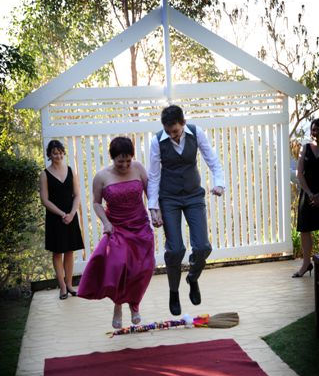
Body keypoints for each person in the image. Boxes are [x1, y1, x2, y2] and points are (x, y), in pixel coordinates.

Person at [147, 105, 225, 316]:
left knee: (202, 247)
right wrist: (153, 207)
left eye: (176, 131)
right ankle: (174, 291)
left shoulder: (196, 132)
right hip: (169, 198)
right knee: (175, 250)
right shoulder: (157, 141)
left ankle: (192, 277)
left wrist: (219, 183)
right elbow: (153, 175)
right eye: (168, 132)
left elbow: (213, 160)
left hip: (193, 195)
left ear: (183, 123)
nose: (172, 135)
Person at [77, 136, 155, 329]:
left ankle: (134, 305)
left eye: (128, 160)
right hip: (117, 228)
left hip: (140, 226)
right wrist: (105, 222)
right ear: (113, 158)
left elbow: (150, 192)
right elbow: (96, 203)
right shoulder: (102, 176)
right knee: (119, 267)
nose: (125, 164)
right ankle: (118, 305)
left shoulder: (138, 168)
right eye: (121, 161)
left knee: (143, 268)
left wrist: (155, 212)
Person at [40, 140, 84, 299]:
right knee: (57, 252)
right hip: (55, 217)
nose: (57, 155)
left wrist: (72, 213)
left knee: (69, 251)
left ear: (63, 153)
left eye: (60, 152)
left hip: (70, 216)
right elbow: (44, 200)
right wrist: (61, 214)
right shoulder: (44, 174)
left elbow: (77, 194)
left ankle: (70, 284)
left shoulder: (71, 170)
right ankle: (62, 287)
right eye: (54, 153)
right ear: (49, 155)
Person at [292, 118, 319, 277]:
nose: (315, 132)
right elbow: (299, 173)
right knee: (305, 229)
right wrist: (310, 194)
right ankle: (306, 264)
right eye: (313, 129)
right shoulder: (305, 148)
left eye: (318, 129)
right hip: (307, 194)